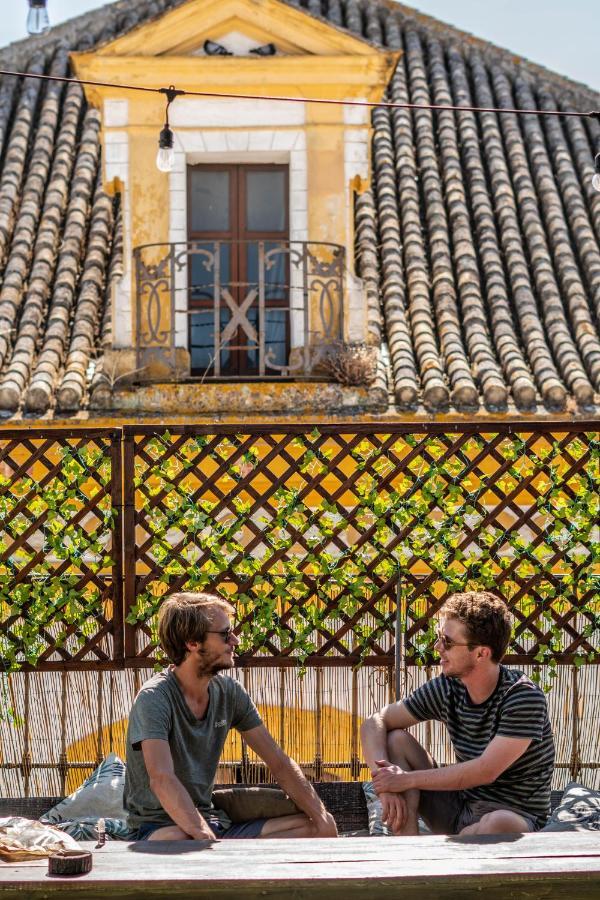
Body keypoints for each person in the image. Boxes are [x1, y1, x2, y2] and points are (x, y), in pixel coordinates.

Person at [124, 591, 338, 841]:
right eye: (225, 634)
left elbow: (278, 762)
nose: (235, 640)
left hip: (212, 823)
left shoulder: (229, 692)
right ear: (192, 643)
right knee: (180, 840)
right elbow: (161, 779)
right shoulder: (154, 698)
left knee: (311, 828)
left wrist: (322, 817)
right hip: (159, 830)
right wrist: (204, 838)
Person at [361, 591, 555, 836]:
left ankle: (460, 847)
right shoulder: (448, 686)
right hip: (460, 809)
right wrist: (384, 782)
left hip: (515, 819)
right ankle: (409, 854)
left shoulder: (522, 697)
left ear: (481, 653)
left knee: (497, 823)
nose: (437, 647)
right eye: (439, 637)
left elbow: (485, 771)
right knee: (395, 740)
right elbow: (374, 722)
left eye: (447, 642)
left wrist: (406, 780)